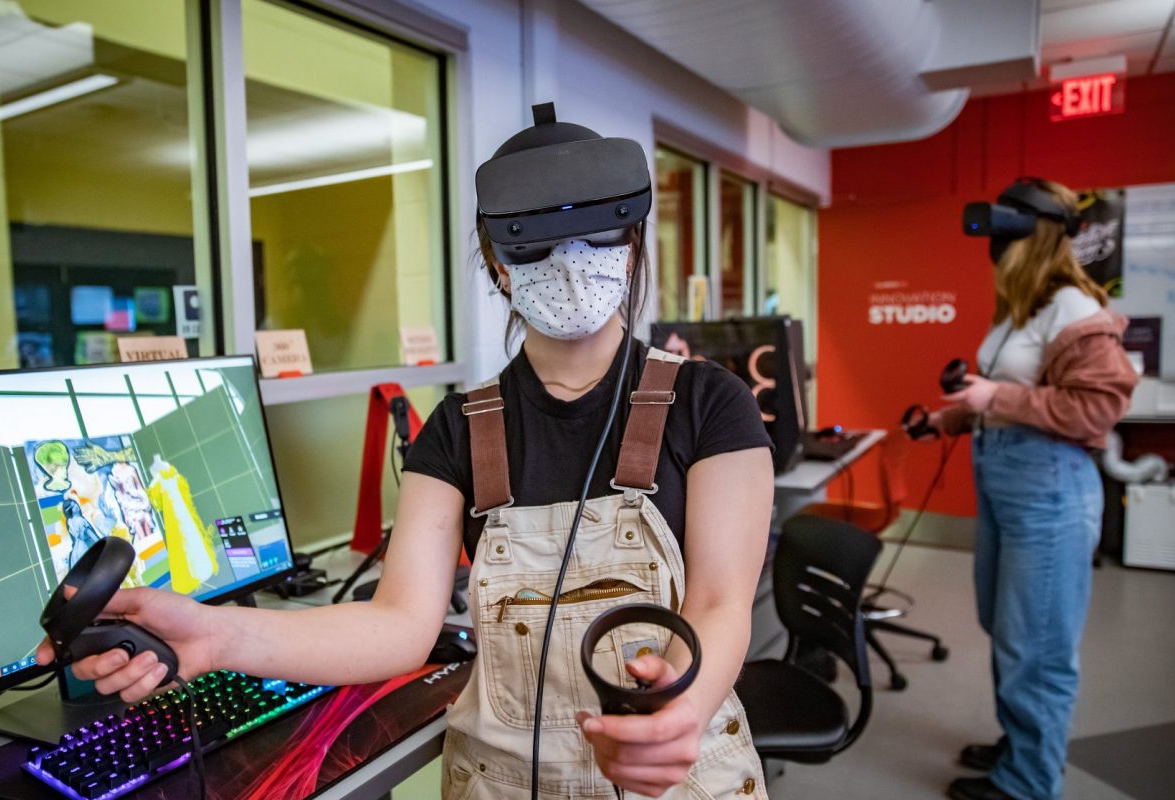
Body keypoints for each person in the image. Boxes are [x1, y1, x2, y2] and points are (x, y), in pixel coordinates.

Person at [38, 111, 774, 799]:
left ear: (634, 239)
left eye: (598, 238)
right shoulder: (457, 431)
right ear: (497, 260)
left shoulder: (712, 405)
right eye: (536, 244)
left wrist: (678, 708)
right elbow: (399, 624)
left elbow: (718, 604)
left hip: (680, 776)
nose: (571, 264)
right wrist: (217, 633)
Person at [932, 178, 1137, 800]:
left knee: (1039, 644)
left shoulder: (1076, 309)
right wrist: (954, 415)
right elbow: (1016, 399)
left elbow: (1099, 407)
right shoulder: (1026, 308)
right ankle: (1021, 744)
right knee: (1007, 622)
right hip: (1005, 472)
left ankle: (1029, 782)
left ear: (1029, 236)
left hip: (1048, 484)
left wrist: (997, 396)